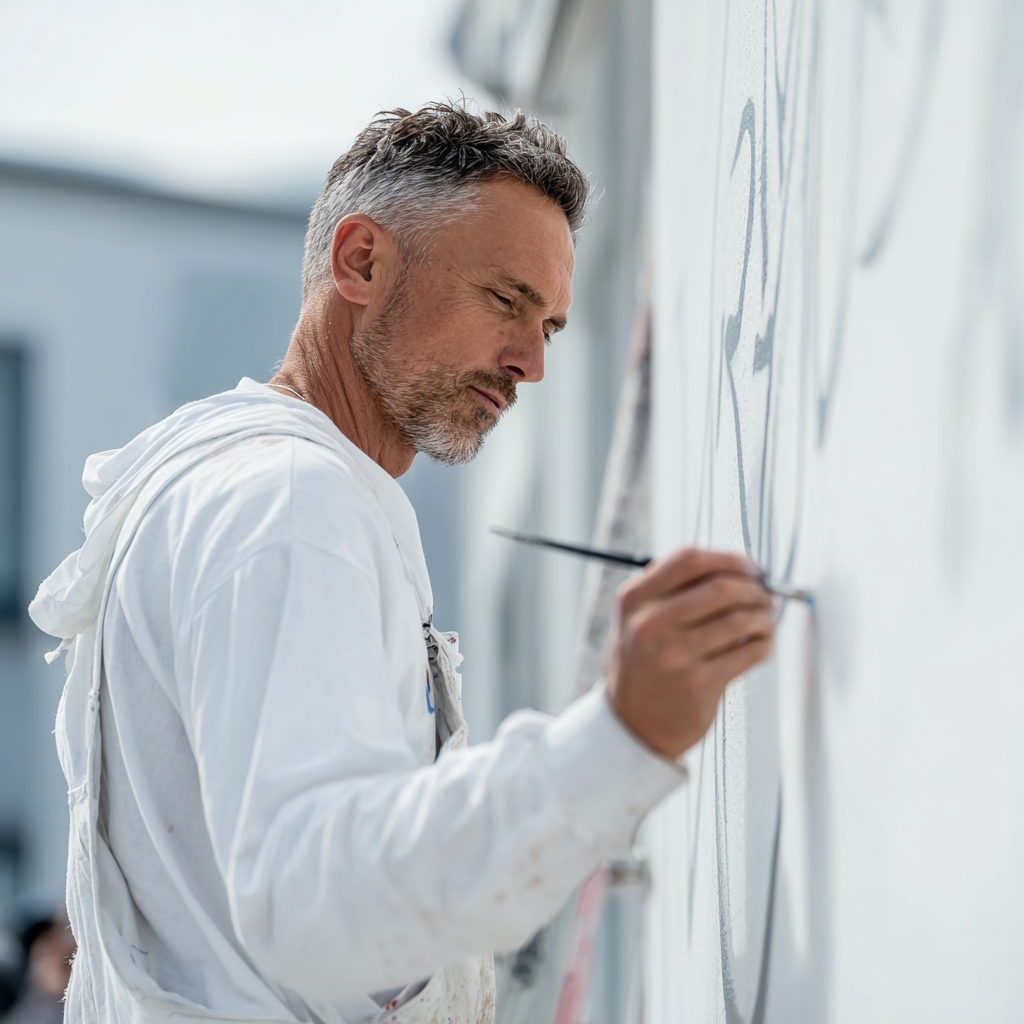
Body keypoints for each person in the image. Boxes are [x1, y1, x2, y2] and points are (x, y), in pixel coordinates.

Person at [29, 103, 776, 1023]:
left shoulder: (242, 481)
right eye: (506, 300)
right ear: (361, 263)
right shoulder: (292, 502)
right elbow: (319, 903)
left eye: (551, 326)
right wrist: (620, 736)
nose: (532, 364)